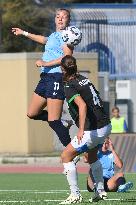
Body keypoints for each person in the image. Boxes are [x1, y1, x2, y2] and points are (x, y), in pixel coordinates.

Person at [12, 9, 74, 147]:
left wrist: (46, 63)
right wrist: (24, 33)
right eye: (58, 16)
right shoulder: (54, 35)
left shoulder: (67, 36)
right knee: (32, 113)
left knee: (53, 121)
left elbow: (67, 57)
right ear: (55, 19)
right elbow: (44, 40)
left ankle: (72, 152)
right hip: (45, 77)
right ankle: (64, 123)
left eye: (64, 17)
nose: (60, 19)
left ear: (69, 20)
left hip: (57, 76)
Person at [59, 55, 111, 204]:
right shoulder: (83, 79)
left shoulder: (69, 86)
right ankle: (100, 190)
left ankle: (75, 194)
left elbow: (82, 105)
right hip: (105, 125)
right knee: (92, 157)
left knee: (66, 156)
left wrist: (81, 129)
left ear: (63, 69)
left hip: (92, 130)